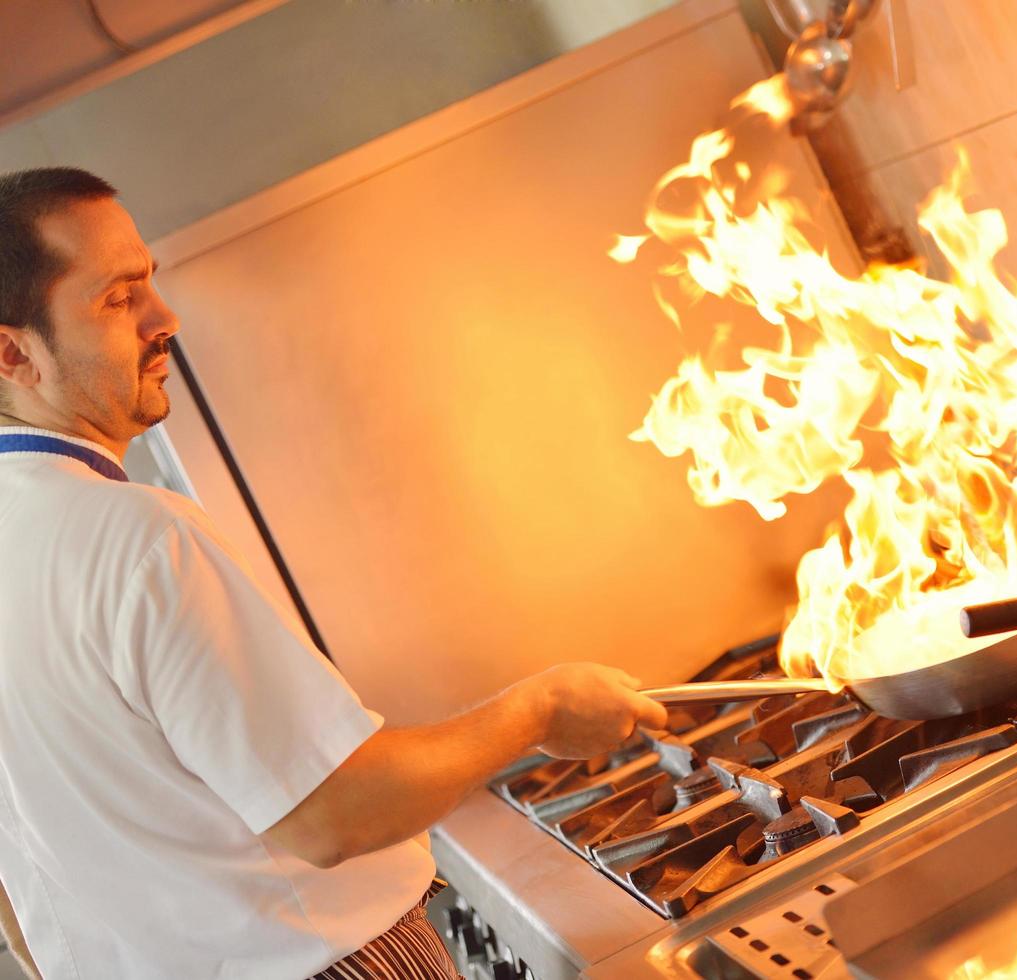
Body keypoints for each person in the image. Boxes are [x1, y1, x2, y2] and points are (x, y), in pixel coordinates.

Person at [0, 167, 669, 979]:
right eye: (118, 298)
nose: (163, 317)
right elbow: (330, 815)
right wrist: (541, 709)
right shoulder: (134, 536)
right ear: (12, 352)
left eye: (151, 284)